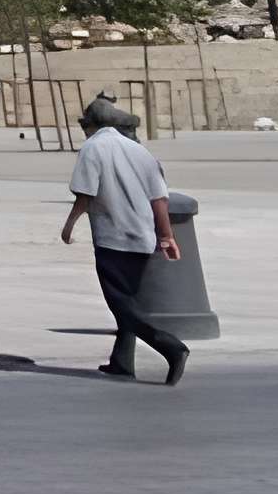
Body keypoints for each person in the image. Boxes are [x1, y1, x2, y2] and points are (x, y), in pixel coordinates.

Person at [60, 93, 189, 385]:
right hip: (143, 237)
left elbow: (85, 193)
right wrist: (167, 236)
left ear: (88, 125)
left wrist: (69, 226)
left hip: (112, 237)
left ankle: (171, 348)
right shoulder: (138, 150)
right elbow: (159, 198)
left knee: (120, 304)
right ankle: (122, 362)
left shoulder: (92, 149)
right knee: (128, 299)